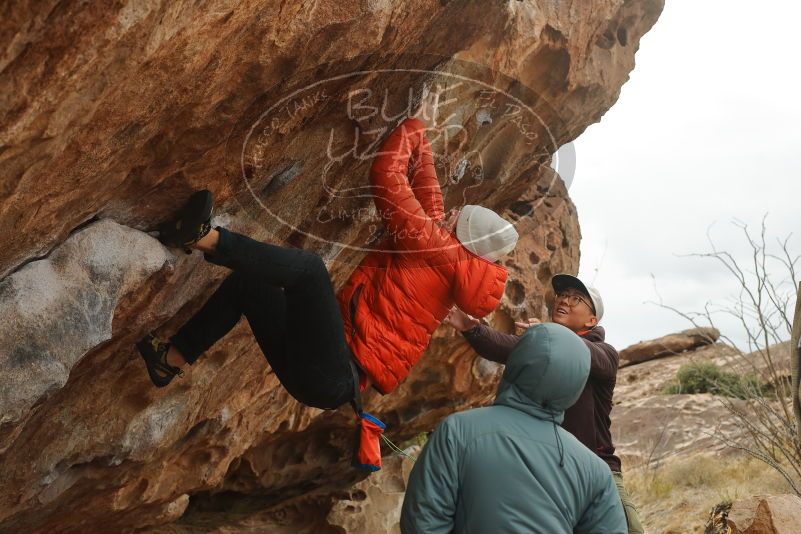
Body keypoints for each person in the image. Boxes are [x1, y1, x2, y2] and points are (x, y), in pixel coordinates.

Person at [135, 114, 519, 466]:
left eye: (457, 217)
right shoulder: (448, 260)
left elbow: (387, 176)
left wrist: (411, 128)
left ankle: (203, 237)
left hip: (333, 369)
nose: (450, 212)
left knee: (309, 271)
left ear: (460, 236)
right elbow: (431, 200)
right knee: (250, 284)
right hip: (327, 376)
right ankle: (170, 359)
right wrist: (417, 130)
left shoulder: (436, 250)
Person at [446, 274, 644, 533]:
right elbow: (504, 346)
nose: (565, 301)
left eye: (577, 299)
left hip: (598, 470)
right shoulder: (545, 345)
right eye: (562, 295)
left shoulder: (605, 353)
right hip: (549, 469)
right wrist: (470, 327)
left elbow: (588, 356)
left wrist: (550, 335)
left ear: (592, 320)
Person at [400, 322, 627, 534]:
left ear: (517, 359)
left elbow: (423, 520)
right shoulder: (595, 470)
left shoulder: (457, 431)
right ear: (578, 380)